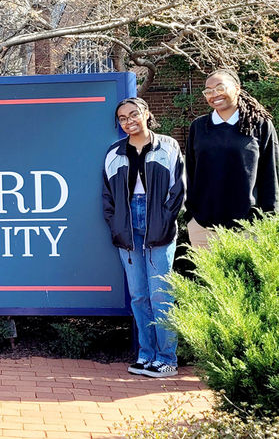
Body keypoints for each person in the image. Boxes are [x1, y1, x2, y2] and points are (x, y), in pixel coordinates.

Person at [102, 97, 185, 378]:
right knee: (138, 295)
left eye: (133, 114)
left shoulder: (168, 146)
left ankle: (167, 358)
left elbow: (178, 191)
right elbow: (108, 197)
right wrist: (116, 225)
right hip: (128, 226)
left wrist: (165, 220)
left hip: (157, 220)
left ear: (146, 114)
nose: (128, 121)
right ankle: (146, 354)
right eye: (123, 118)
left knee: (161, 294)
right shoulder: (114, 152)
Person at [185, 68, 279, 247]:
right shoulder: (198, 127)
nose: (214, 95)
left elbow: (271, 176)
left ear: (237, 88)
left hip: (249, 228)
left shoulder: (259, 125)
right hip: (203, 229)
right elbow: (191, 173)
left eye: (220, 88)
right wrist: (191, 216)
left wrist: (270, 221)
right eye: (208, 91)